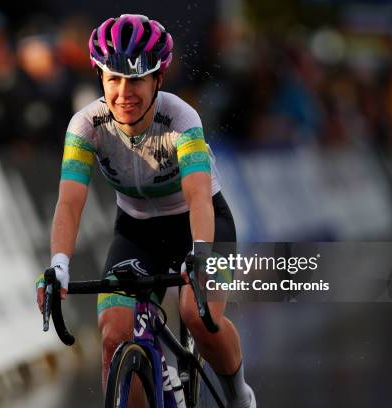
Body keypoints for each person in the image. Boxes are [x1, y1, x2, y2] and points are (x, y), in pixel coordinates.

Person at [37, 14, 256, 408]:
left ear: (158, 79)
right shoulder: (85, 126)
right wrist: (59, 264)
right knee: (113, 335)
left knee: (196, 314)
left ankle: (239, 394)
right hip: (136, 232)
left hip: (200, 224)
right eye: (113, 79)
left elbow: (198, 196)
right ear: (99, 77)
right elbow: (69, 202)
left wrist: (202, 251)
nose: (124, 93)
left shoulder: (181, 119)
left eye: (136, 79)